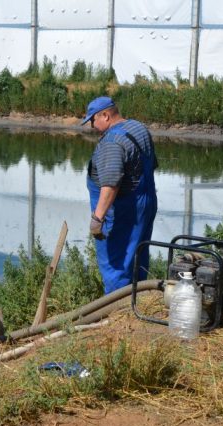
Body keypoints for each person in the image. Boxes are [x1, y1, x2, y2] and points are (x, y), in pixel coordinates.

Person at [81, 96, 158, 294]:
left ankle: (117, 307)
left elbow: (110, 184)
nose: (92, 126)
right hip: (146, 204)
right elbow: (152, 165)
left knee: (116, 264)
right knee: (138, 257)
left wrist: (98, 218)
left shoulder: (112, 142)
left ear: (105, 116)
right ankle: (138, 300)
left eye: (93, 120)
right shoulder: (138, 128)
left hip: (122, 211)